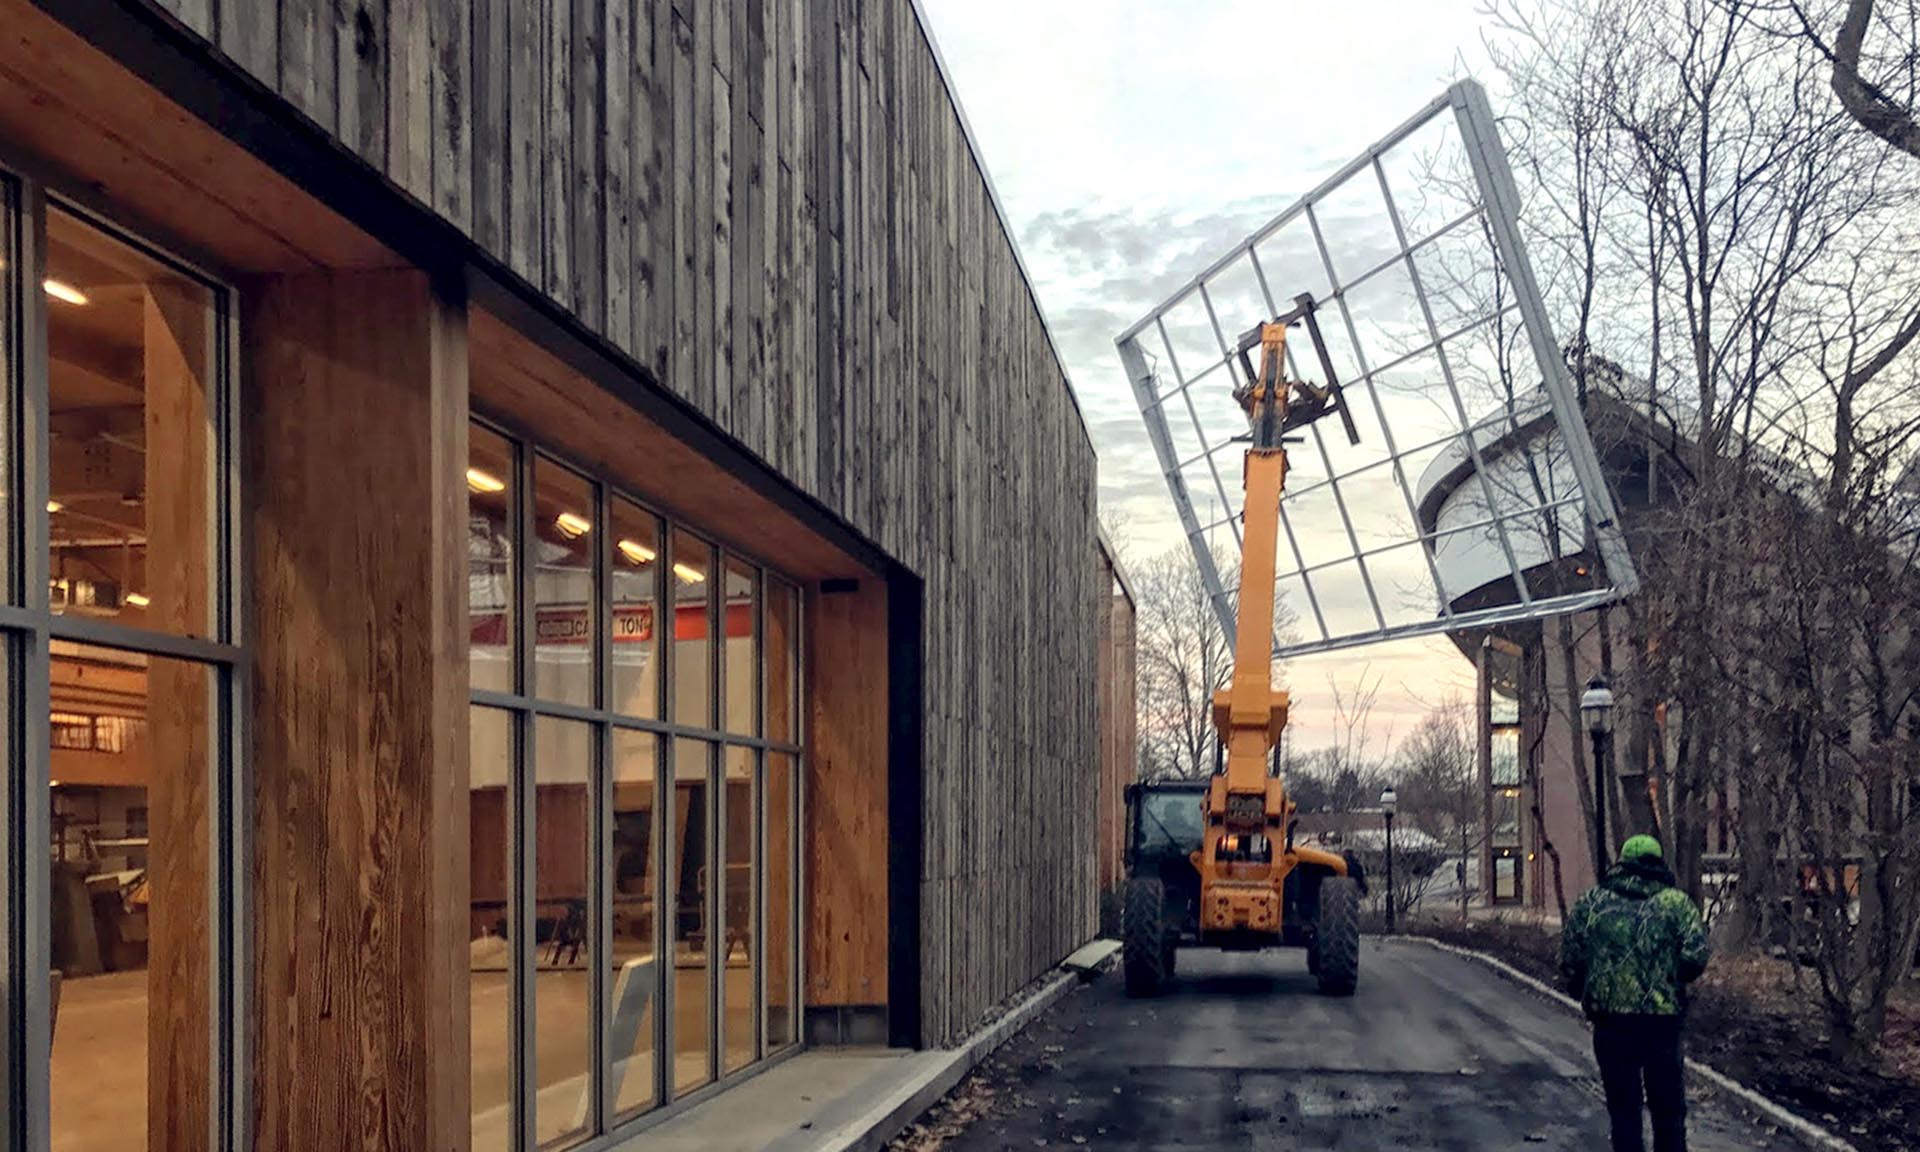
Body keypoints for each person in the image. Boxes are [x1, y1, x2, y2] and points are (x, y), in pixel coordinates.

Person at [1560, 834, 1711, 1152]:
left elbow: (1572, 959)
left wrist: (1585, 992)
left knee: (1624, 1110)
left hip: (1611, 1022)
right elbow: (1696, 956)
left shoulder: (1594, 902)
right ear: (1658, 861)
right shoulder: (1676, 903)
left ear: (1622, 861)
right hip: (1662, 1022)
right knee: (1668, 1109)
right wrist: (1672, 979)